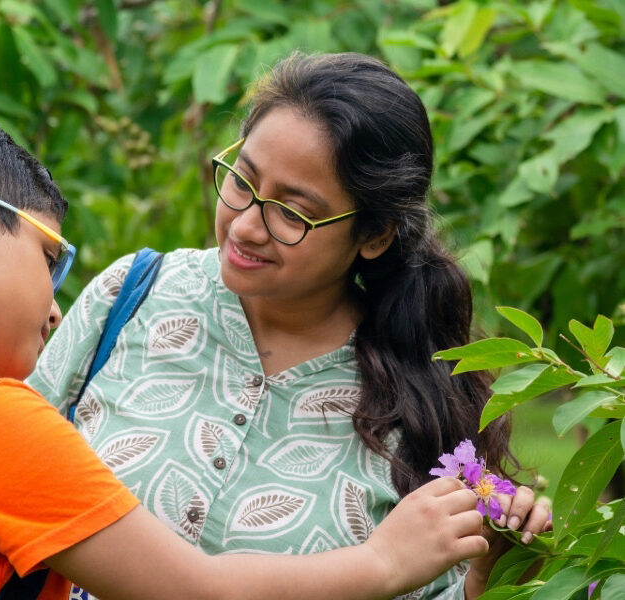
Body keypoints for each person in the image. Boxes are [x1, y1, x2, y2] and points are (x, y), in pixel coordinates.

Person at [29, 53, 549, 599]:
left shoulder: (420, 402)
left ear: (374, 235)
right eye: (242, 179)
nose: (247, 226)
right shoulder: (133, 295)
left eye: (293, 213)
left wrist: (484, 584)